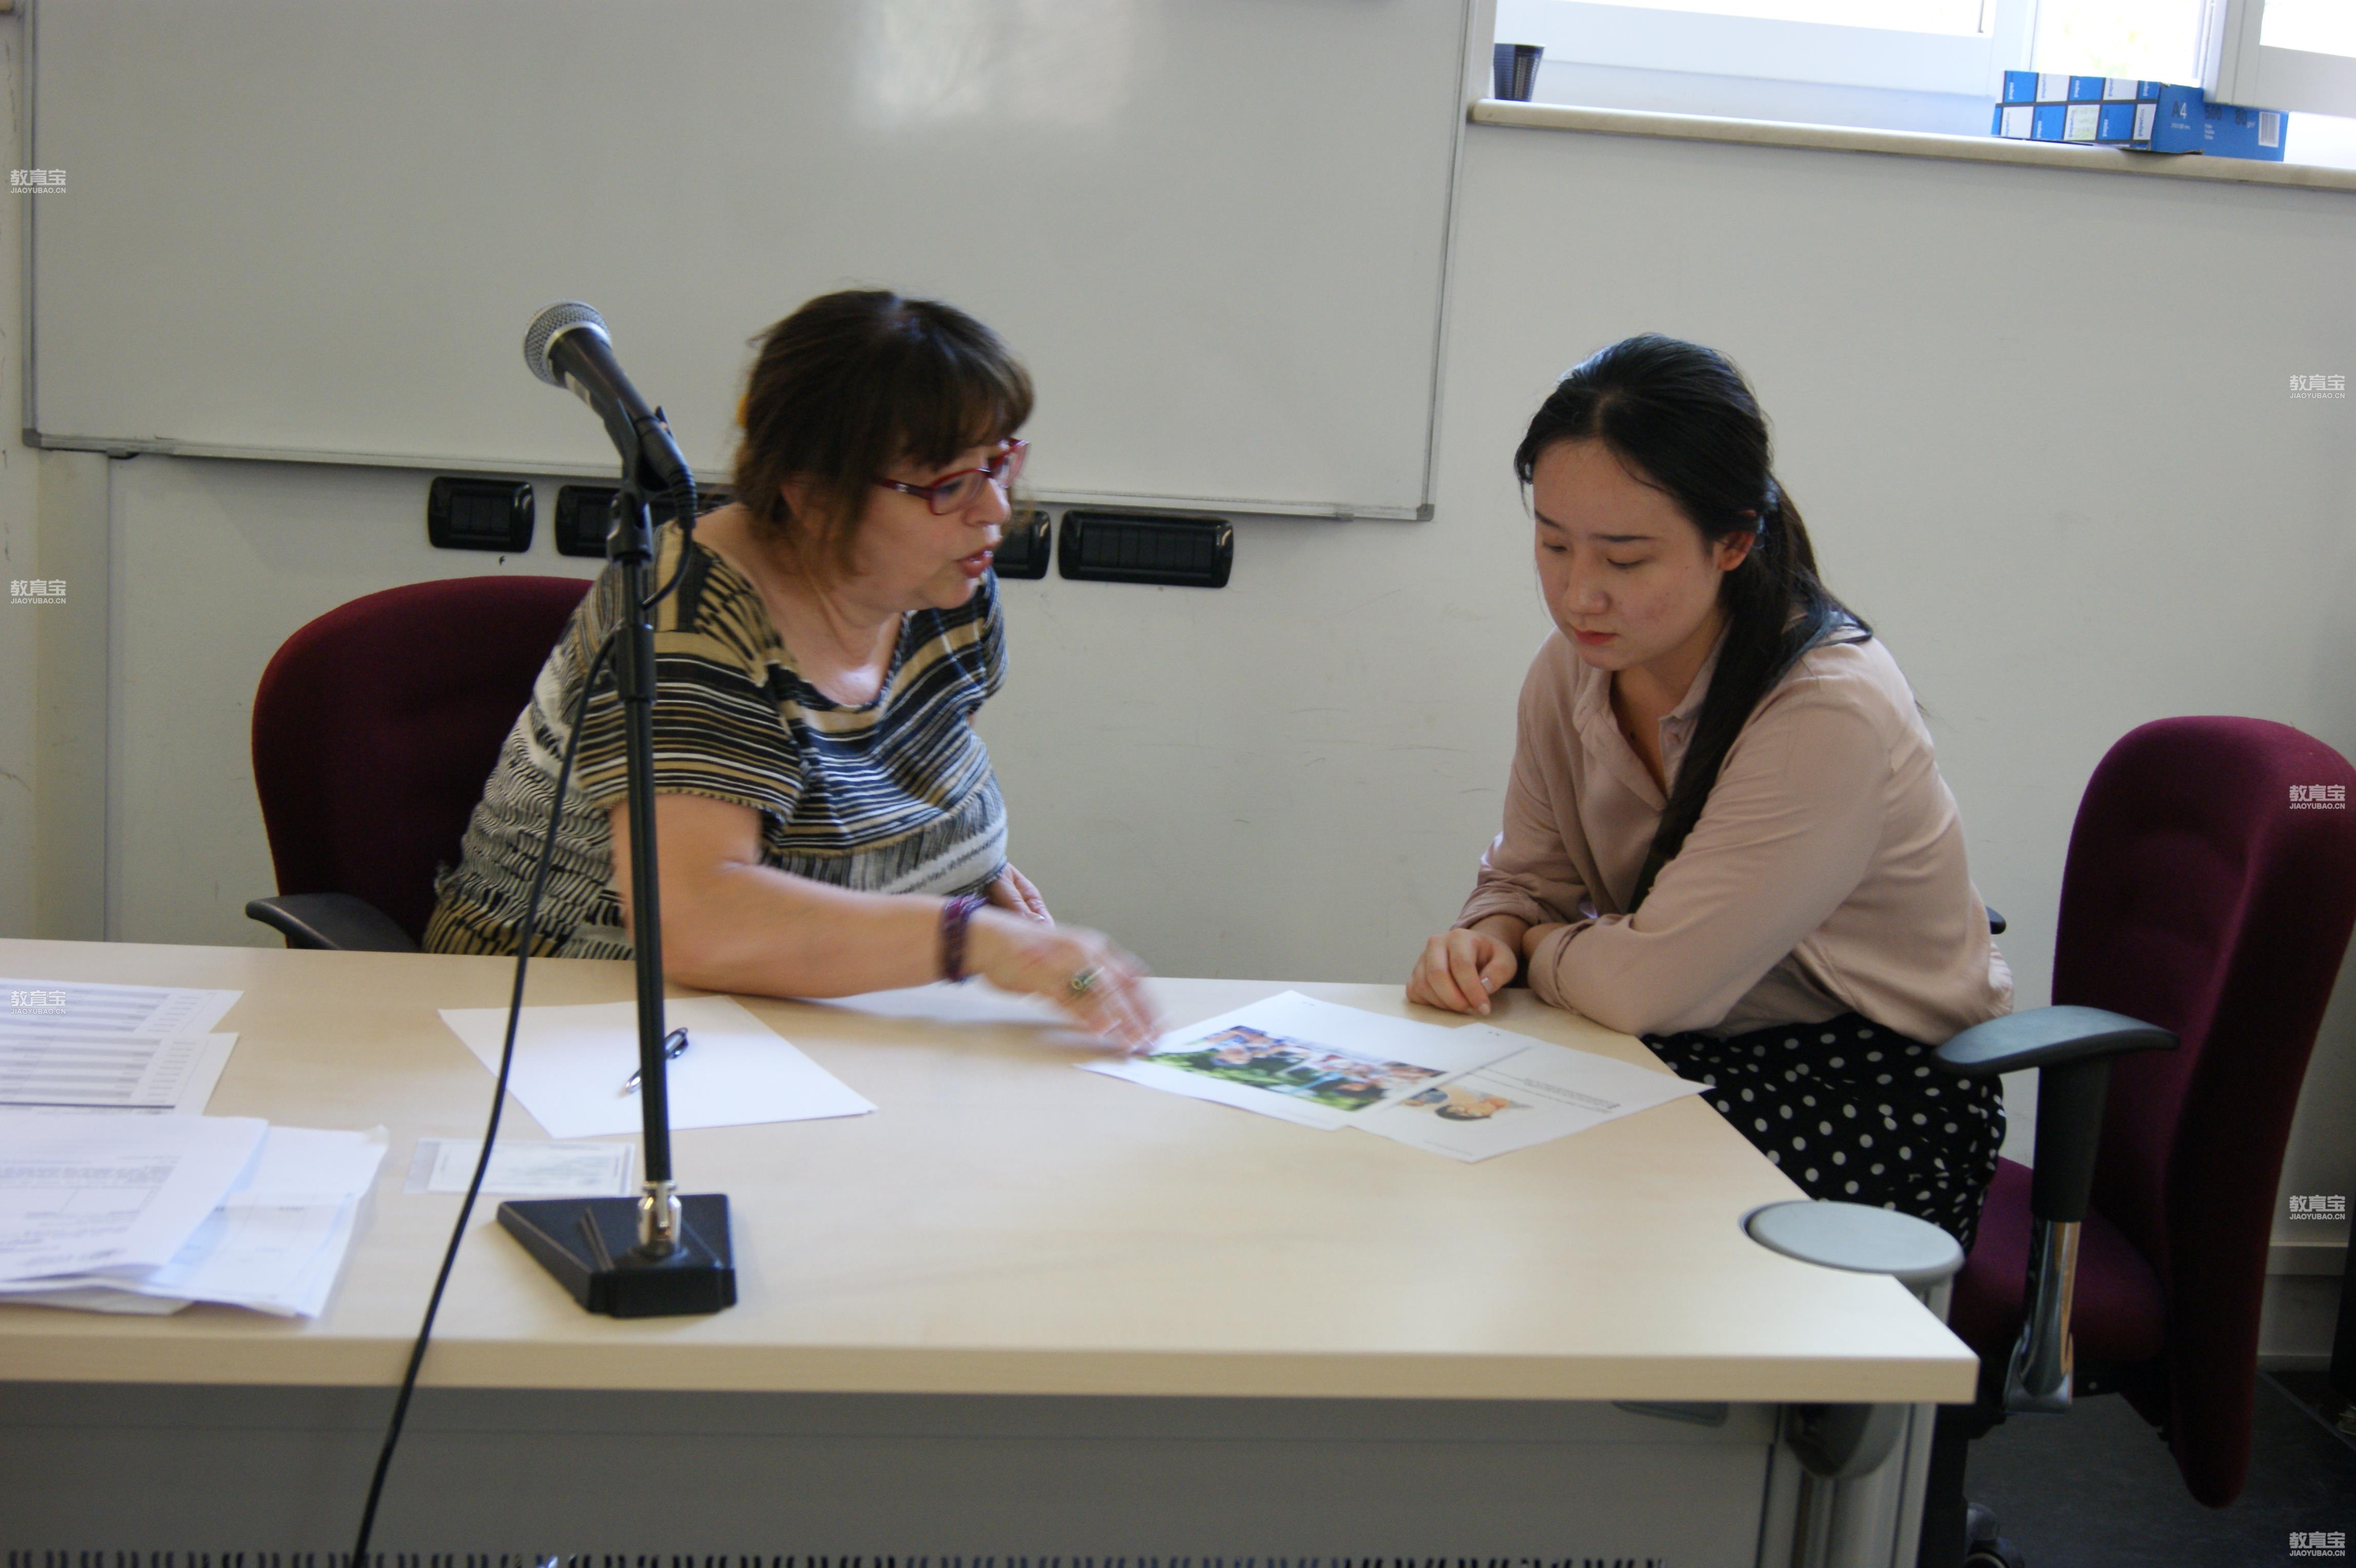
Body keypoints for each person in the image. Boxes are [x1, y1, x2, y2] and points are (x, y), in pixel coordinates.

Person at [426, 289, 1158, 1049]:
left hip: (814, 1009)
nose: (996, 510)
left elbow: (909, 783)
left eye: (999, 462)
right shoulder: (691, 615)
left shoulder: (942, 585)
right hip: (570, 1012)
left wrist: (971, 874)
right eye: (950, 484)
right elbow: (698, 921)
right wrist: (969, 937)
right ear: (814, 497)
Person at [1406, 334, 2011, 1248]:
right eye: (1554, 543)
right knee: (1442, 1136)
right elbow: (1528, 880)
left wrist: (1535, 946)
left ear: (1733, 542)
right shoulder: (1568, 673)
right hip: (1675, 1051)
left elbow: (1646, 990)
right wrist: (1485, 938)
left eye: (1625, 560)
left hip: (1867, 1091)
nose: (1579, 595)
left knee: (1532, 1197)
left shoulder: (1826, 712)